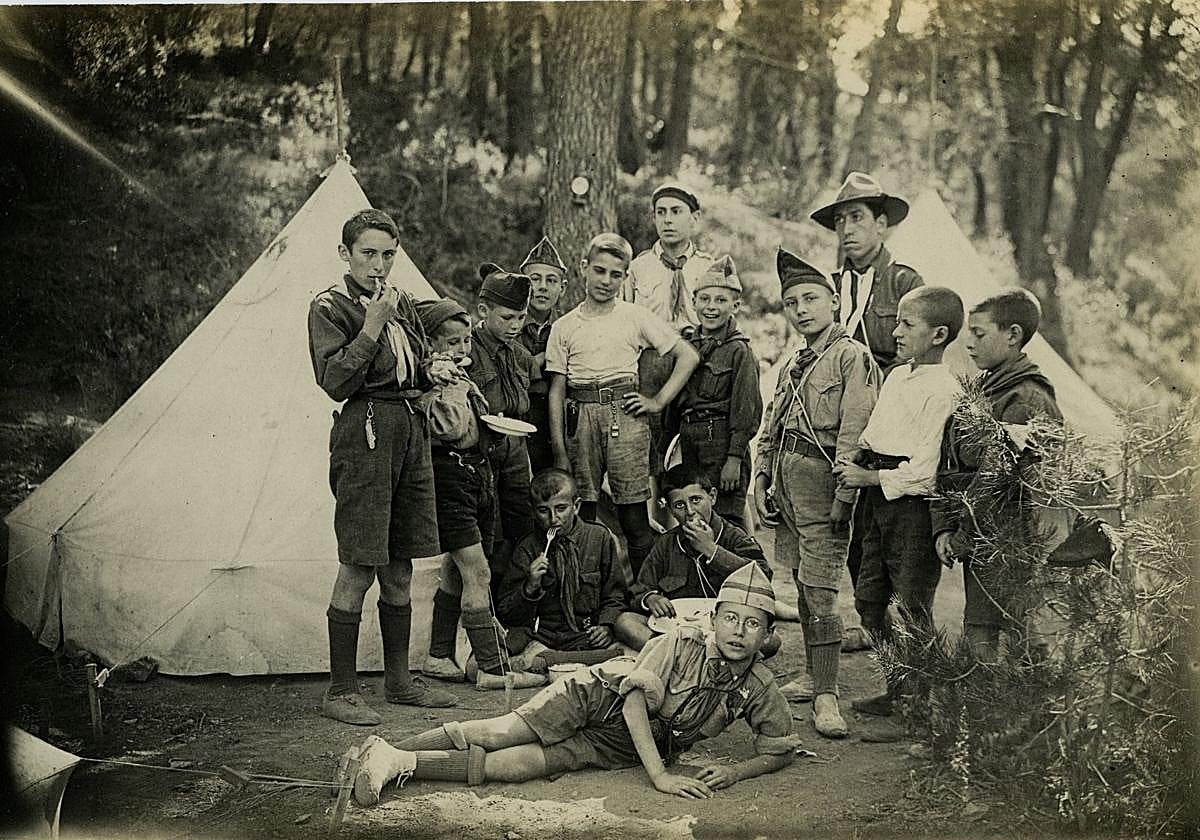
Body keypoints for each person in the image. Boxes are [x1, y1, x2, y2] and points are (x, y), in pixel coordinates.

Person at [348, 562, 799, 806]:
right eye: (732, 620)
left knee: (518, 766)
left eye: (753, 624)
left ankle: (396, 762)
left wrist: (735, 771)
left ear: (766, 635)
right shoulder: (680, 643)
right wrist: (659, 776)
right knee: (503, 732)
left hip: (634, 742)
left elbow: (778, 749)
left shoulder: (758, 684)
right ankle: (389, 753)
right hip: (599, 695)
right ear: (714, 619)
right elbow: (634, 703)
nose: (739, 632)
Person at [307, 209, 458, 725]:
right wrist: (371, 327)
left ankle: (399, 683)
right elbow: (335, 380)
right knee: (360, 561)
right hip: (364, 432)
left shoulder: (402, 304)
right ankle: (341, 691)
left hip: (408, 430)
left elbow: (410, 362)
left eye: (388, 255)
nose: (379, 265)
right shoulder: (330, 307)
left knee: (400, 564)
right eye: (368, 254)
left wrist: (430, 368)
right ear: (346, 254)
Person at [752, 249, 879, 739]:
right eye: (791, 302)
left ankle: (828, 697)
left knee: (823, 588)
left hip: (825, 486)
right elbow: (773, 422)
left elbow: (855, 432)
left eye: (810, 298)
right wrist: (762, 475)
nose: (801, 309)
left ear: (833, 302)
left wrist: (844, 497)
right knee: (803, 583)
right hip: (789, 483)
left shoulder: (852, 357)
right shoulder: (793, 362)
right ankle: (812, 673)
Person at [833, 286, 965, 718]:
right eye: (897, 321)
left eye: (908, 324)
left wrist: (869, 475)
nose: (897, 331)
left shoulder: (944, 390)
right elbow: (876, 431)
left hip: (912, 508)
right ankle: (899, 688)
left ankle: (917, 703)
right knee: (869, 598)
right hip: (876, 498)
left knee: (909, 604)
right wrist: (858, 452)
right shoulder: (896, 376)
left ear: (939, 334)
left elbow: (926, 471)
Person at [546, 233, 700, 578]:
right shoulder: (565, 325)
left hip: (625, 418)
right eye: (599, 271)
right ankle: (585, 593)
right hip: (580, 419)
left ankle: (645, 593)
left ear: (626, 276)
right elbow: (557, 389)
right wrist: (558, 447)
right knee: (582, 512)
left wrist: (657, 401)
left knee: (633, 514)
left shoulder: (634, 316)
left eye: (616, 274)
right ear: (584, 268)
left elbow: (686, 355)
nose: (606, 281)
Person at [414, 298, 544, 691]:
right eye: (451, 343)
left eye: (466, 342)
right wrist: (445, 383)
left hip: (476, 477)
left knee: (456, 570)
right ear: (429, 344)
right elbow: (449, 429)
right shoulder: (428, 383)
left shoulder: (459, 379)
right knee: (479, 572)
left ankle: (438, 656)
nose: (461, 350)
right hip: (450, 479)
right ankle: (492, 669)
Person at [931, 289, 1063, 662]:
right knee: (980, 627)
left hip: (1016, 537)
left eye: (979, 333)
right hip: (982, 536)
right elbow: (949, 460)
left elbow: (995, 477)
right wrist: (943, 526)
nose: (969, 343)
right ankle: (985, 713)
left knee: (1016, 635)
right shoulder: (982, 390)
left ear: (1013, 335)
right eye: (968, 333)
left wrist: (961, 535)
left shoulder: (1025, 399)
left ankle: (1020, 716)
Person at [614, 464, 778, 657]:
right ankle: (694, 656)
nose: (690, 511)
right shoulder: (666, 544)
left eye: (696, 500)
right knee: (625, 622)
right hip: (676, 628)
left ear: (713, 497)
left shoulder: (734, 536)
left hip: (725, 629)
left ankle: (680, 657)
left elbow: (762, 576)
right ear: (670, 509)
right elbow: (640, 588)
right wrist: (651, 598)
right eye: (679, 505)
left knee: (771, 642)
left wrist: (711, 549)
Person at [625, 183, 714, 527]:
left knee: (691, 447)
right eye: (661, 213)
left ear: (694, 219)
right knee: (650, 449)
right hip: (651, 368)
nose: (668, 220)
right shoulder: (639, 267)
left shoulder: (708, 266)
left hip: (697, 366)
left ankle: (693, 524)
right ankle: (655, 527)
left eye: (676, 212)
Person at [495, 469, 631, 672]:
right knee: (493, 659)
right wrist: (530, 586)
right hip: (542, 636)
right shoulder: (528, 548)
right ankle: (557, 661)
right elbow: (506, 611)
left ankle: (550, 662)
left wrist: (606, 626)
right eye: (543, 510)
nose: (553, 519)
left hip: (585, 634)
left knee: (623, 655)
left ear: (576, 507)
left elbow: (616, 593)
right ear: (533, 511)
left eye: (561, 508)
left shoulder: (599, 538)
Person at [663, 255, 761, 530]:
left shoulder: (739, 351)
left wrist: (734, 459)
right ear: (693, 302)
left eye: (721, 300)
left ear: (735, 305)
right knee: (694, 514)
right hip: (690, 442)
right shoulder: (686, 347)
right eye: (704, 299)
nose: (711, 307)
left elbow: (747, 409)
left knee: (726, 518)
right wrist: (663, 450)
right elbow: (676, 402)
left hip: (721, 444)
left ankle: (740, 568)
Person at [470, 265, 538, 590]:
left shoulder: (521, 355)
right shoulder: (468, 350)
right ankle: (487, 609)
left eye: (521, 318)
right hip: (484, 454)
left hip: (516, 455)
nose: (515, 326)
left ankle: (514, 605)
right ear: (484, 311)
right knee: (488, 533)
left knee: (521, 527)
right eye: (507, 318)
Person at [518, 237, 569, 474]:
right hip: (518, 416)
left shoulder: (568, 327)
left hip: (558, 421)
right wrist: (540, 360)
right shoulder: (509, 325)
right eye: (534, 279)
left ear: (563, 287)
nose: (542, 287)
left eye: (551, 280)